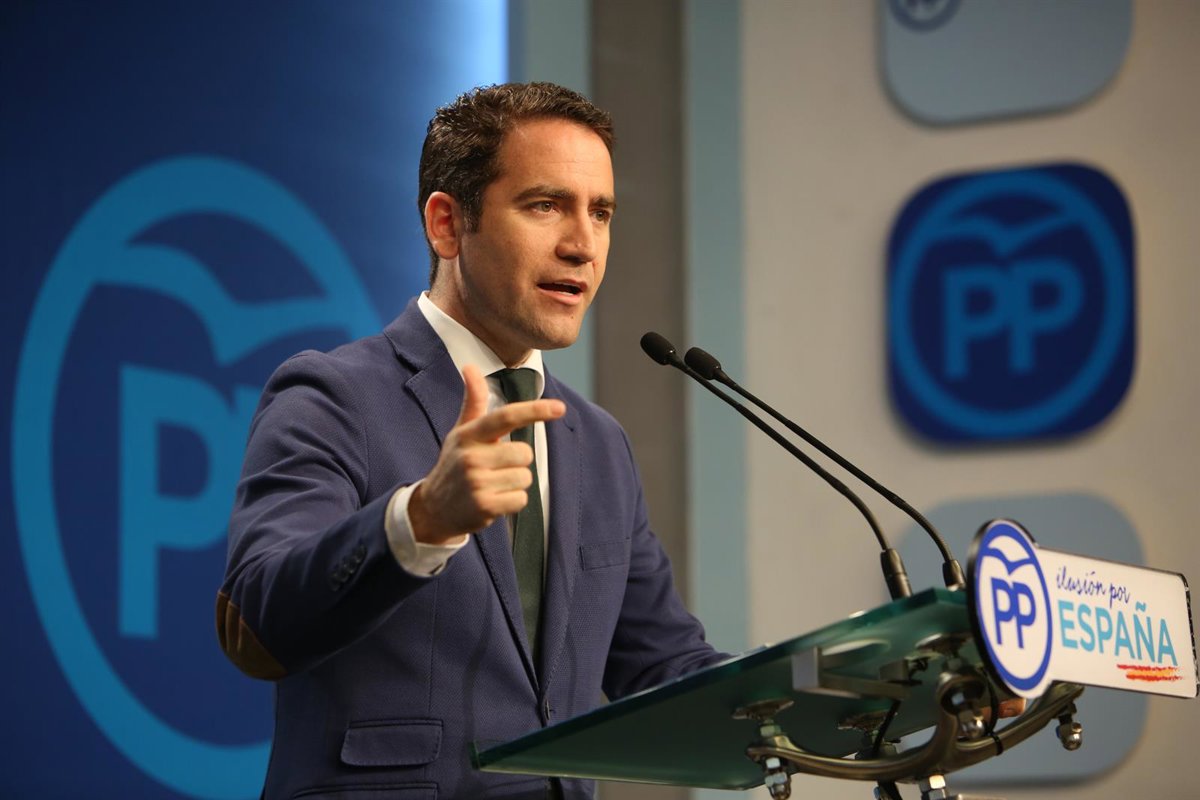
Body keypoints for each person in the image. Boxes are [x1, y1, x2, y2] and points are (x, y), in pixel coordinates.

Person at [217, 82, 722, 800]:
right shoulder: (334, 397)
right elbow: (260, 621)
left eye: (601, 212)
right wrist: (421, 519)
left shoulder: (599, 444)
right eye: (545, 205)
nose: (582, 245)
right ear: (448, 225)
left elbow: (665, 665)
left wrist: (827, 693)